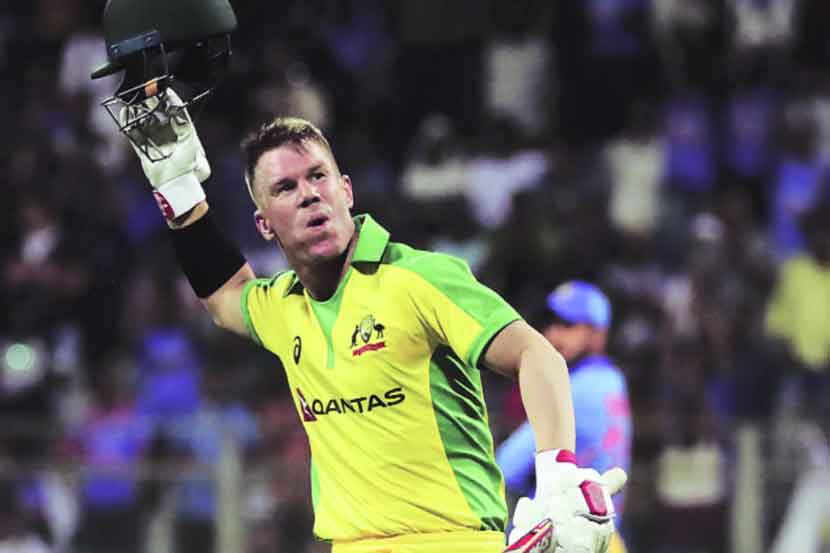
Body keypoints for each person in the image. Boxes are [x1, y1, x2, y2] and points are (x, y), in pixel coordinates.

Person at [114, 85, 626, 552]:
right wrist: (179, 187)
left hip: (451, 542)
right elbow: (225, 296)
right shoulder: (284, 308)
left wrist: (557, 470)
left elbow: (536, 353)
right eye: (286, 188)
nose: (309, 194)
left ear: (347, 191)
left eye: (318, 176)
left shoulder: (418, 278)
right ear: (264, 225)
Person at [497, 282, 632, 553]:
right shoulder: (612, 380)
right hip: (606, 538)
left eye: (568, 325)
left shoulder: (576, 388)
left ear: (597, 334)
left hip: (569, 539)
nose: (553, 334)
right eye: (551, 324)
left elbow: (506, 466)